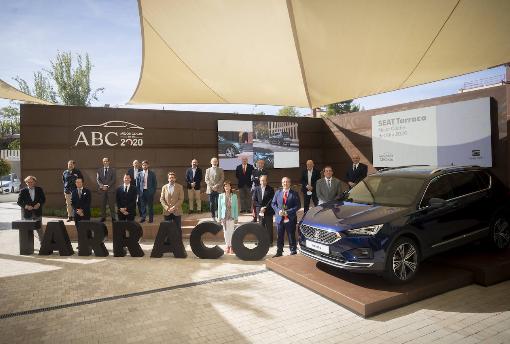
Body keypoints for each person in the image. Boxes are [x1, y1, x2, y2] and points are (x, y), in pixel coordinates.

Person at [272, 177, 300, 257]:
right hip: (279, 218)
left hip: (290, 219)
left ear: (290, 183)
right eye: (284, 182)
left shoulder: (294, 193)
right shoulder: (278, 193)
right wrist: (278, 211)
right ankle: (279, 252)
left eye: (287, 182)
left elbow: (298, 206)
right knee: (279, 236)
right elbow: (273, 204)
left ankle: (293, 251)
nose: (285, 183)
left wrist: (287, 212)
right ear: (282, 183)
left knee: (291, 235)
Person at [17, 176, 45, 242]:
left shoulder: (39, 189)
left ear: (34, 182)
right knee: (28, 230)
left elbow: (43, 199)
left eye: (31, 182)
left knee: (40, 229)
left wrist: (39, 204)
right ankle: (29, 247)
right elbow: (19, 202)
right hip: (27, 214)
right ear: (26, 183)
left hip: (37, 213)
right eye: (28, 182)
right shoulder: (23, 191)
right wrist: (26, 206)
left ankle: (43, 245)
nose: (30, 183)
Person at [252, 175, 275, 246]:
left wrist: (265, 207)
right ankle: (260, 241)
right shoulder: (256, 189)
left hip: (268, 211)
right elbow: (254, 200)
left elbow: (272, 200)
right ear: (259, 181)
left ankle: (270, 242)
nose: (263, 182)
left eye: (264, 180)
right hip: (260, 211)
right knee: (260, 227)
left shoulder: (270, 189)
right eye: (262, 180)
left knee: (269, 227)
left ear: (266, 181)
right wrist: (261, 208)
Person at [217, 181, 239, 254]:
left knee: (231, 232)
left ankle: (231, 246)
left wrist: (236, 218)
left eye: (228, 186)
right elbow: (219, 207)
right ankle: (227, 246)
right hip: (224, 216)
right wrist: (219, 217)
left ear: (230, 187)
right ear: (224, 187)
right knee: (226, 232)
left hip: (232, 216)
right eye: (225, 186)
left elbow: (236, 208)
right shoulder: (221, 196)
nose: (227, 187)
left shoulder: (234, 196)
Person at [96, 157, 116, 222]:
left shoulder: (113, 170)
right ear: (103, 162)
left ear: (109, 162)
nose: (105, 162)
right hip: (102, 190)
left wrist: (107, 186)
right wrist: (102, 186)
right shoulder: (99, 170)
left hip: (110, 190)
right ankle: (103, 217)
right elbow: (98, 179)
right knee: (102, 204)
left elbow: (113, 179)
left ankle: (113, 217)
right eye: (104, 161)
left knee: (111, 204)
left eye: (106, 161)